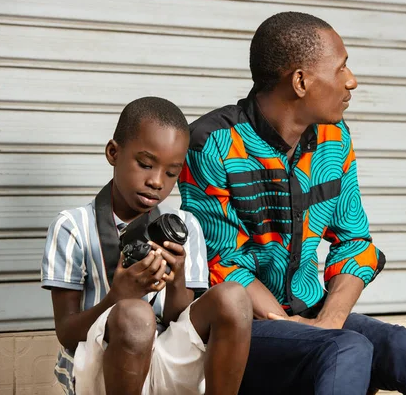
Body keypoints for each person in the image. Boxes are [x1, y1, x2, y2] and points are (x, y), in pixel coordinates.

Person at [179, 12, 406, 395]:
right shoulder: (212, 144)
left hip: (315, 315)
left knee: (403, 346)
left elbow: (354, 241)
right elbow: (222, 264)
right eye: (341, 68)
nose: (351, 81)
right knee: (346, 348)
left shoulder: (333, 138)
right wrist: (304, 332)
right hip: (239, 331)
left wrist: (328, 321)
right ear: (301, 81)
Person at [41, 97, 253, 395]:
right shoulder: (72, 227)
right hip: (100, 366)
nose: (156, 182)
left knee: (233, 296)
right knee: (136, 316)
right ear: (114, 153)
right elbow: (66, 333)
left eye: (171, 173)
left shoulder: (184, 225)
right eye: (145, 164)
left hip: (166, 361)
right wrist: (117, 296)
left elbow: (179, 320)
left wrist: (177, 277)